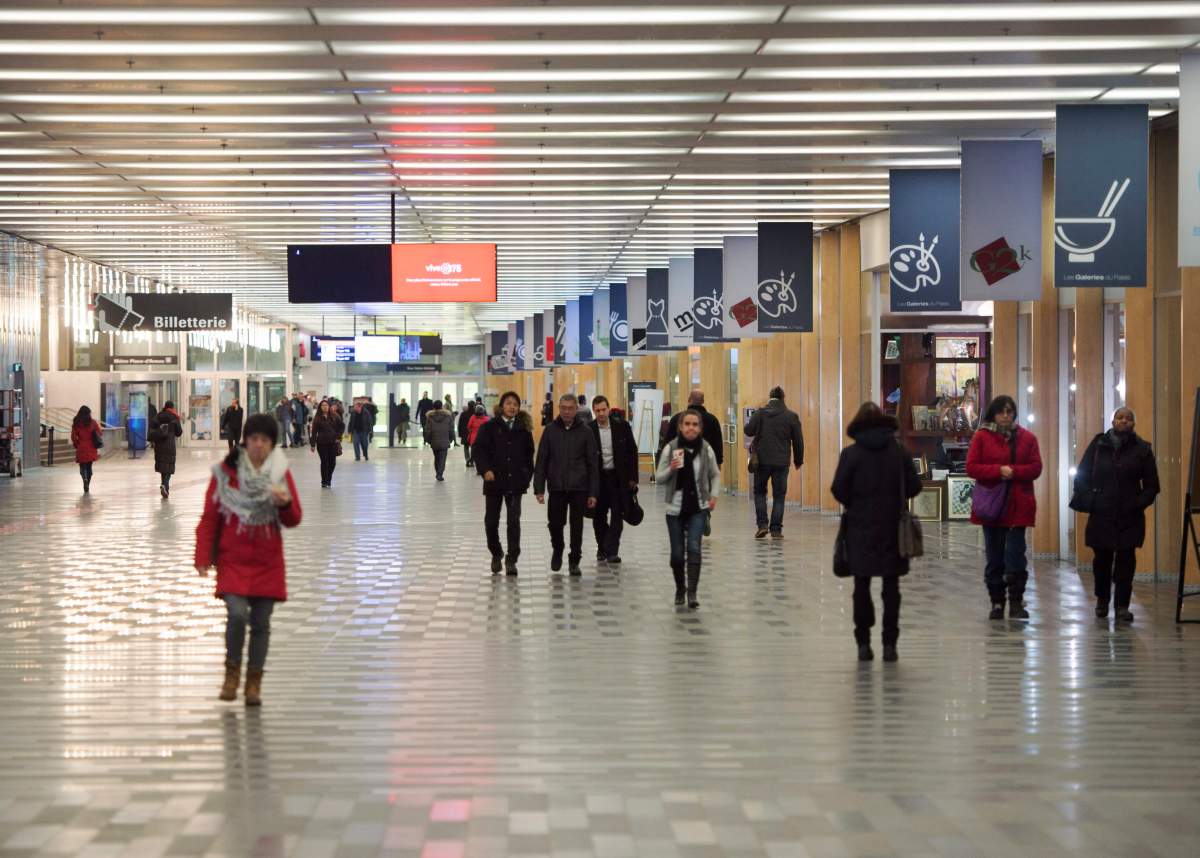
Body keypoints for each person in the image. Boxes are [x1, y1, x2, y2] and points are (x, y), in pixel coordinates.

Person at [194, 413, 302, 706]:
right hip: (234, 558)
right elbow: (209, 518)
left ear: (272, 444)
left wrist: (286, 504)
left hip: (267, 560)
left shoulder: (280, 473)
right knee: (238, 615)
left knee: (261, 622)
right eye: (253, 439)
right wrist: (202, 556)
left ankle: (254, 683)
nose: (258, 445)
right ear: (245, 440)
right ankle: (232, 673)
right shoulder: (226, 473)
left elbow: (294, 520)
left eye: (264, 440)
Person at [831, 403, 923, 663]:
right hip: (892, 527)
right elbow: (914, 486)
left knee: (862, 584)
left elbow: (838, 489)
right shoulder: (899, 453)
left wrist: (856, 501)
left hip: (860, 528)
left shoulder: (851, 454)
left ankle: (863, 643)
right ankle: (890, 644)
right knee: (891, 587)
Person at [1073, 407, 1160, 623]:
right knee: (1101, 561)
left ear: (1133, 423)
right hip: (1101, 512)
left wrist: (1138, 503)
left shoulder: (1142, 449)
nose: (1124, 421)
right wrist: (1091, 500)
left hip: (1129, 515)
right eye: (1120, 418)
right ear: (1113, 421)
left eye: (1128, 419)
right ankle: (1102, 600)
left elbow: (1152, 485)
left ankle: (1122, 606)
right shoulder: (1099, 444)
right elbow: (1082, 474)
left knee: (1126, 561)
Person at [966, 394, 1043, 620]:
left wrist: (1015, 472)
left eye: (1010, 412)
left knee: (1016, 555)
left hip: (1018, 505)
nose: (1006, 416)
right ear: (994, 413)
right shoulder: (982, 437)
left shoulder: (1027, 439)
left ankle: (1016, 602)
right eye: (1001, 411)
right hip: (993, 506)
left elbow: (1036, 468)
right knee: (995, 556)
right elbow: (972, 467)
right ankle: (997, 602)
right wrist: (998, 471)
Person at [655, 409, 721, 608]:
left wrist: (714, 495)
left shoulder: (706, 449)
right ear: (680, 427)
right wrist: (672, 468)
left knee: (694, 548)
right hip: (675, 509)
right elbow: (659, 478)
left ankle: (692, 592)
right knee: (677, 554)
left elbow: (715, 473)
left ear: (700, 428)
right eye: (687, 424)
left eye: (695, 424)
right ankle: (680, 588)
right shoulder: (671, 448)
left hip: (698, 507)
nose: (691, 428)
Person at [534, 394, 599, 575]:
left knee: (577, 525)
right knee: (555, 523)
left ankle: (574, 559)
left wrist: (593, 492)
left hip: (580, 486)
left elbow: (593, 464)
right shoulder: (550, 430)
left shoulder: (586, 431)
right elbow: (542, 460)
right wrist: (539, 488)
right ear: (559, 408)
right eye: (564, 408)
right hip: (556, 486)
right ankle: (558, 547)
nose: (567, 412)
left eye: (571, 408)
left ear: (576, 409)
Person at [473, 392, 534, 575]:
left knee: (513, 522)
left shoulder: (523, 430)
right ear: (502, 406)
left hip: (515, 483)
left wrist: (525, 476)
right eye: (508, 403)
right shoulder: (489, 427)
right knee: (491, 522)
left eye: (515, 404)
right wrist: (485, 470)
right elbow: (478, 450)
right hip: (494, 482)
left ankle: (512, 559)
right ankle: (496, 552)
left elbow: (529, 456)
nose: (512, 407)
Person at [744, 386, 805, 539]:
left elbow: (748, 430)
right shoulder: (791, 416)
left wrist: (754, 421)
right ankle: (776, 530)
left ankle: (762, 526)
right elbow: (798, 441)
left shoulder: (760, 413)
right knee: (779, 496)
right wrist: (798, 460)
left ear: (770, 397)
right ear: (783, 398)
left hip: (762, 461)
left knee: (760, 492)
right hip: (781, 462)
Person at [590, 395, 639, 565]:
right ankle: (602, 547)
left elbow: (632, 451)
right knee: (599, 516)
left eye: (604, 409)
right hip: (598, 480)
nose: (601, 413)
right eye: (598, 411)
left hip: (618, 479)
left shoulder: (622, 426)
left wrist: (633, 477)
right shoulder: (589, 429)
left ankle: (612, 551)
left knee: (618, 515)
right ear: (594, 411)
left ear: (608, 409)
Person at [662, 390, 724, 468]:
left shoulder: (677, 418)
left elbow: (668, 441)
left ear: (689, 399)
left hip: (681, 462)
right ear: (703, 401)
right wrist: (718, 462)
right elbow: (717, 444)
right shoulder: (712, 420)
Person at [150, 400, 183, 499]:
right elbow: (179, 432)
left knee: (163, 466)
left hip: (159, 445)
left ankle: (165, 489)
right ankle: (164, 485)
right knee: (169, 466)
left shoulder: (158, 416)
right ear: (172, 407)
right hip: (169, 445)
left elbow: (152, 427)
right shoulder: (174, 417)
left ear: (165, 406)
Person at [309, 399, 343, 488]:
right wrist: (312, 444)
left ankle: (328, 479)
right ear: (320, 407)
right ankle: (324, 481)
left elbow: (341, 426)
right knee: (324, 462)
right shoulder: (317, 418)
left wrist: (338, 437)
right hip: (322, 443)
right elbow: (313, 432)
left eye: (326, 405)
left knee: (332, 462)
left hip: (333, 443)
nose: (325, 407)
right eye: (323, 405)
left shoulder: (335, 416)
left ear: (329, 406)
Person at [70, 405, 102, 494]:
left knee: (82, 466)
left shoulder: (76, 423)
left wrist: (77, 444)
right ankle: (87, 483)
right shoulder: (92, 422)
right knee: (89, 467)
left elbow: (73, 436)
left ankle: (84, 479)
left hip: (81, 446)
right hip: (91, 447)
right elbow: (99, 433)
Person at [424, 400, 454, 481]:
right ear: (442, 406)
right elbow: (451, 429)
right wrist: (451, 439)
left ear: (434, 407)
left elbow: (427, 430)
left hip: (434, 441)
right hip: (445, 440)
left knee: (437, 458)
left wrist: (428, 440)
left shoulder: (430, 417)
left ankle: (438, 472)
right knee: (442, 458)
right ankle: (439, 474)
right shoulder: (448, 417)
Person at [457, 402, 475, 466]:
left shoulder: (463, 414)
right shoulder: (475, 414)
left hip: (465, 433)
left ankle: (467, 460)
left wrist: (459, 433)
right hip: (473, 433)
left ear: (468, 406)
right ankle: (472, 460)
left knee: (466, 447)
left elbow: (460, 424)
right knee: (473, 447)